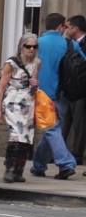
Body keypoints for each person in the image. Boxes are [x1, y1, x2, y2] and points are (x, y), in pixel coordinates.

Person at [29, 12, 85, 179]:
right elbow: (82, 66)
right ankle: (40, 165)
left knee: (52, 129)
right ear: (60, 27)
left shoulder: (35, 44)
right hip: (61, 94)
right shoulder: (69, 44)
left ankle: (64, 164)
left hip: (40, 93)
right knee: (53, 128)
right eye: (64, 27)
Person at [0, 35, 40, 182]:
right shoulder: (11, 63)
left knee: (26, 137)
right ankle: (10, 169)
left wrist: (35, 83)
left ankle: (19, 171)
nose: (31, 49)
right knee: (15, 135)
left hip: (28, 103)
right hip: (13, 101)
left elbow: (35, 82)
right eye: (28, 46)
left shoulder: (37, 62)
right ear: (21, 46)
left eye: (34, 46)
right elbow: (1, 88)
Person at [63, 14, 86, 161]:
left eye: (67, 27)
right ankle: (58, 152)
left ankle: (77, 154)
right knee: (65, 121)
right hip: (69, 89)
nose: (65, 29)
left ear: (75, 28)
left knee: (79, 123)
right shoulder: (68, 43)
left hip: (82, 90)